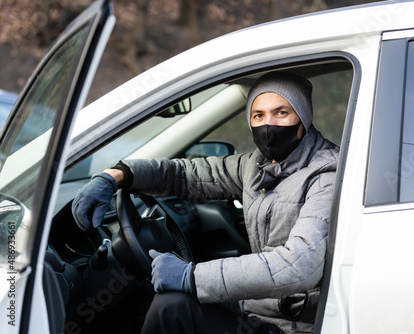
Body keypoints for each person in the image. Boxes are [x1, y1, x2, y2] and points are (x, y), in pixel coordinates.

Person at [72, 71, 340, 334]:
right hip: (258, 309)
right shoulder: (256, 166)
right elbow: (185, 176)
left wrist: (191, 277)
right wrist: (118, 175)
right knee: (143, 299)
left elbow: (296, 267)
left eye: (281, 113)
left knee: (172, 307)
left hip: (293, 326)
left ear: (303, 117)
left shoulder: (326, 174)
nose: (268, 125)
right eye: (259, 115)